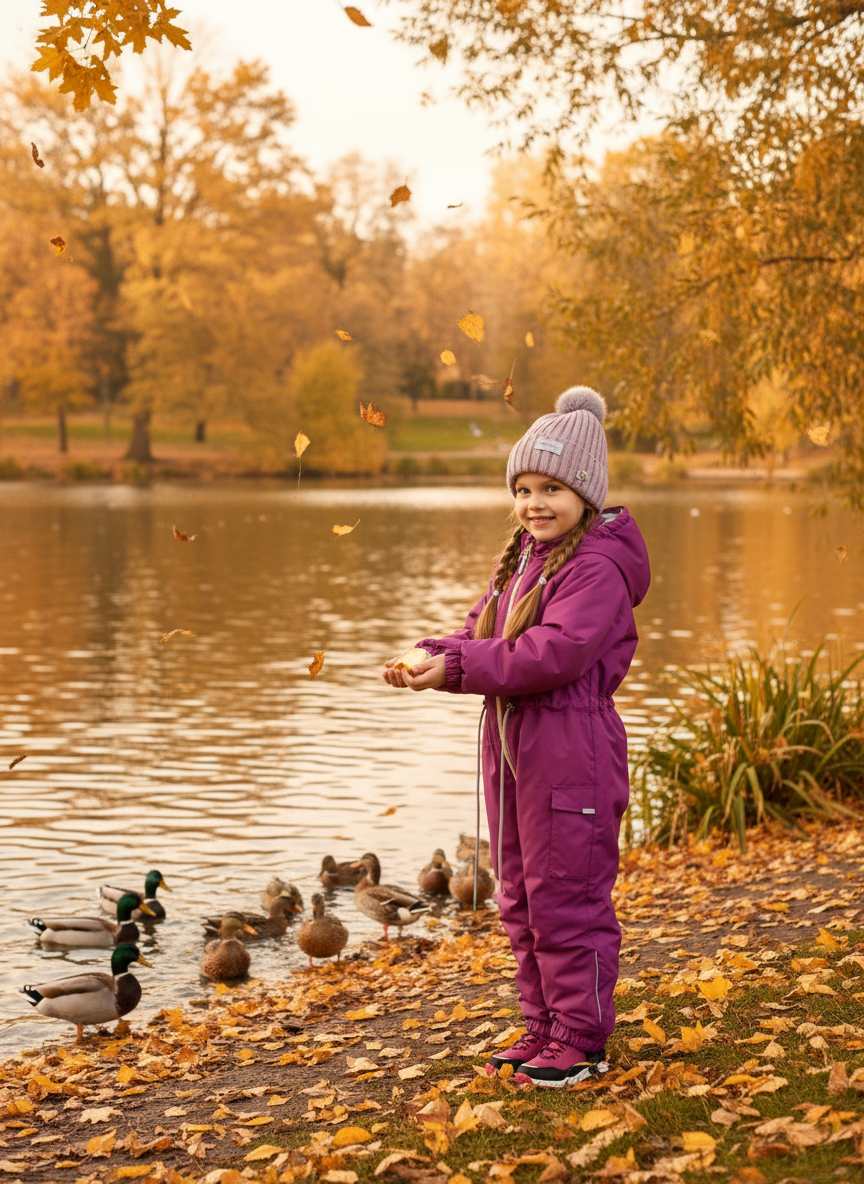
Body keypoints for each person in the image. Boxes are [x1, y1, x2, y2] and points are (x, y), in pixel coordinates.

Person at [382, 387, 650, 1088]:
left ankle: (581, 1039)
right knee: (522, 896)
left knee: (567, 897)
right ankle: (543, 1024)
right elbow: (479, 634)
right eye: (525, 487)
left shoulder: (595, 568)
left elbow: (550, 654)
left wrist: (459, 668)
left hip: (571, 756)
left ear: (586, 494)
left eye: (552, 488)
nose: (535, 502)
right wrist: (428, 654)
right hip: (514, 750)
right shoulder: (524, 560)